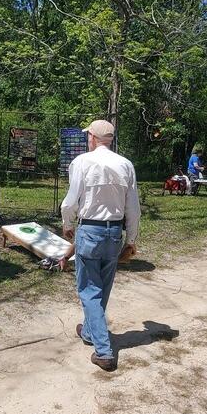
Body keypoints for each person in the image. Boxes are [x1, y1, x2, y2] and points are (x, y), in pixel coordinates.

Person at [60, 119, 141, 372]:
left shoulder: (82, 162)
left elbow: (70, 201)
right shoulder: (125, 164)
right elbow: (133, 208)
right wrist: (132, 240)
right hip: (114, 232)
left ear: (92, 138)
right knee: (102, 288)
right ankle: (87, 331)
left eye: (88, 136)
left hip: (90, 231)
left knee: (88, 290)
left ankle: (104, 351)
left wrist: (67, 223)